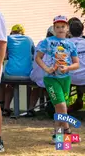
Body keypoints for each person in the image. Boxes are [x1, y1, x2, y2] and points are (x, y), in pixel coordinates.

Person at [35, 15, 79, 143]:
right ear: (54, 28)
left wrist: (68, 68)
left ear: (67, 28)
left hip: (65, 78)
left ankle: (60, 134)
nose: (60, 29)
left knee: (60, 107)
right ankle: (64, 132)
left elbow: (76, 64)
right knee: (61, 105)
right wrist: (47, 69)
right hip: (51, 78)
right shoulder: (47, 42)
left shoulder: (71, 44)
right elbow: (38, 57)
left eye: (63, 26)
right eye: (58, 27)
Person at [0, 24, 34, 116]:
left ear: (12, 32)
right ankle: (30, 109)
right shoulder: (29, 39)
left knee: (4, 81)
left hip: (11, 73)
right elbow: (33, 55)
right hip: (27, 73)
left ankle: (5, 107)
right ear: (23, 33)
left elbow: (4, 56)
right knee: (31, 85)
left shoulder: (8, 39)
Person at [68, 17, 85, 112]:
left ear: (69, 31)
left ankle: (61, 107)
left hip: (69, 77)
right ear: (82, 31)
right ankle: (78, 101)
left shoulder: (64, 44)